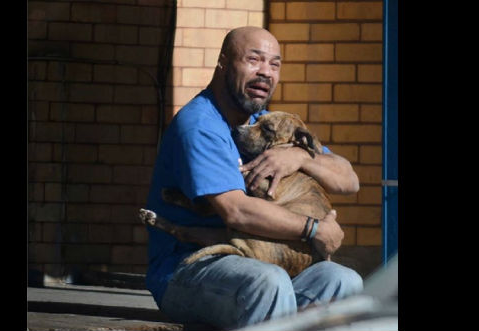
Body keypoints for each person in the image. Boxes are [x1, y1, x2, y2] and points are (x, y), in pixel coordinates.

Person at [144, 26, 363, 329]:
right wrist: (314, 230)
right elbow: (237, 211)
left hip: (261, 259)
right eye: (254, 60)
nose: (266, 72)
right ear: (223, 62)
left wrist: (300, 157)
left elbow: (349, 180)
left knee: (343, 280)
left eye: (274, 64)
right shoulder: (200, 125)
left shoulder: (266, 125)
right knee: (267, 282)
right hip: (192, 267)